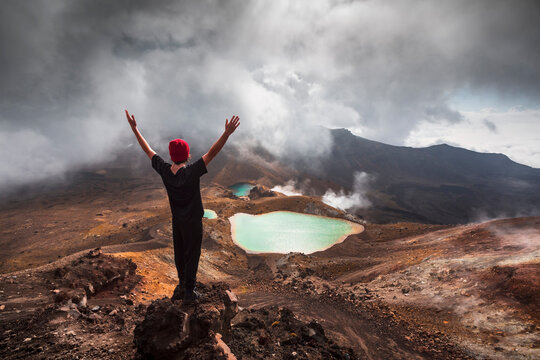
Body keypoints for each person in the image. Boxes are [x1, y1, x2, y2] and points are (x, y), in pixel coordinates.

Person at [125, 110, 240, 302]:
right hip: (193, 222)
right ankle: (189, 291)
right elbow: (212, 153)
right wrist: (227, 133)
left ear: (171, 156)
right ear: (187, 155)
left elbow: (148, 150)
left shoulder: (164, 171)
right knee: (192, 254)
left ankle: (181, 285)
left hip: (177, 221)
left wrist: (135, 129)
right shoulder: (192, 172)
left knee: (179, 252)